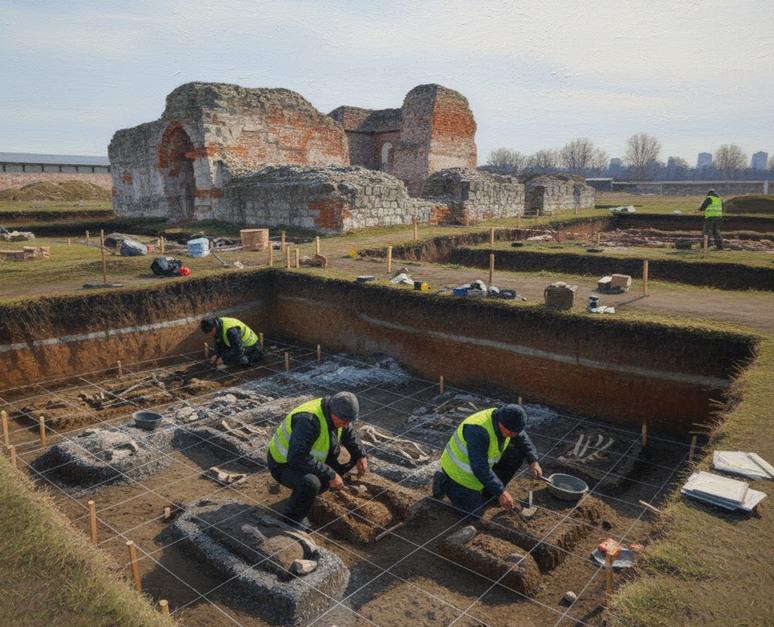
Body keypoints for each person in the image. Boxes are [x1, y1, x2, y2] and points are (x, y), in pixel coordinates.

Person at [267, 392, 368, 529]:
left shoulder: (337, 412)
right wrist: (330, 474)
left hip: (304, 458)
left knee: (335, 471)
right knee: (311, 483)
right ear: (333, 412)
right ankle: (292, 519)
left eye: (348, 421)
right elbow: (296, 457)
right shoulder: (308, 421)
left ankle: (308, 495)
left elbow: (349, 433)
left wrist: (361, 454)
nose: (346, 425)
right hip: (283, 463)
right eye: (344, 421)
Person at [433, 404, 542, 515]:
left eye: (516, 432)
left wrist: (533, 460)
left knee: (516, 454)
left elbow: (522, 438)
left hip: (478, 466)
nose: (513, 435)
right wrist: (501, 492)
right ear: (501, 422)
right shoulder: (477, 431)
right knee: (473, 515)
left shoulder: (507, 421)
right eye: (510, 432)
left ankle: (489, 494)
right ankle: (444, 482)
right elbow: (480, 468)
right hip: (458, 473)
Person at [200, 317, 265, 366]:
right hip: (238, 344)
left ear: (214, 328)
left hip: (252, 347)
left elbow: (238, 350)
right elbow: (219, 343)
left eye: (210, 332)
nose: (210, 335)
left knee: (242, 361)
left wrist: (223, 358)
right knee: (227, 354)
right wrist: (216, 354)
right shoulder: (218, 325)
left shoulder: (231, 331)